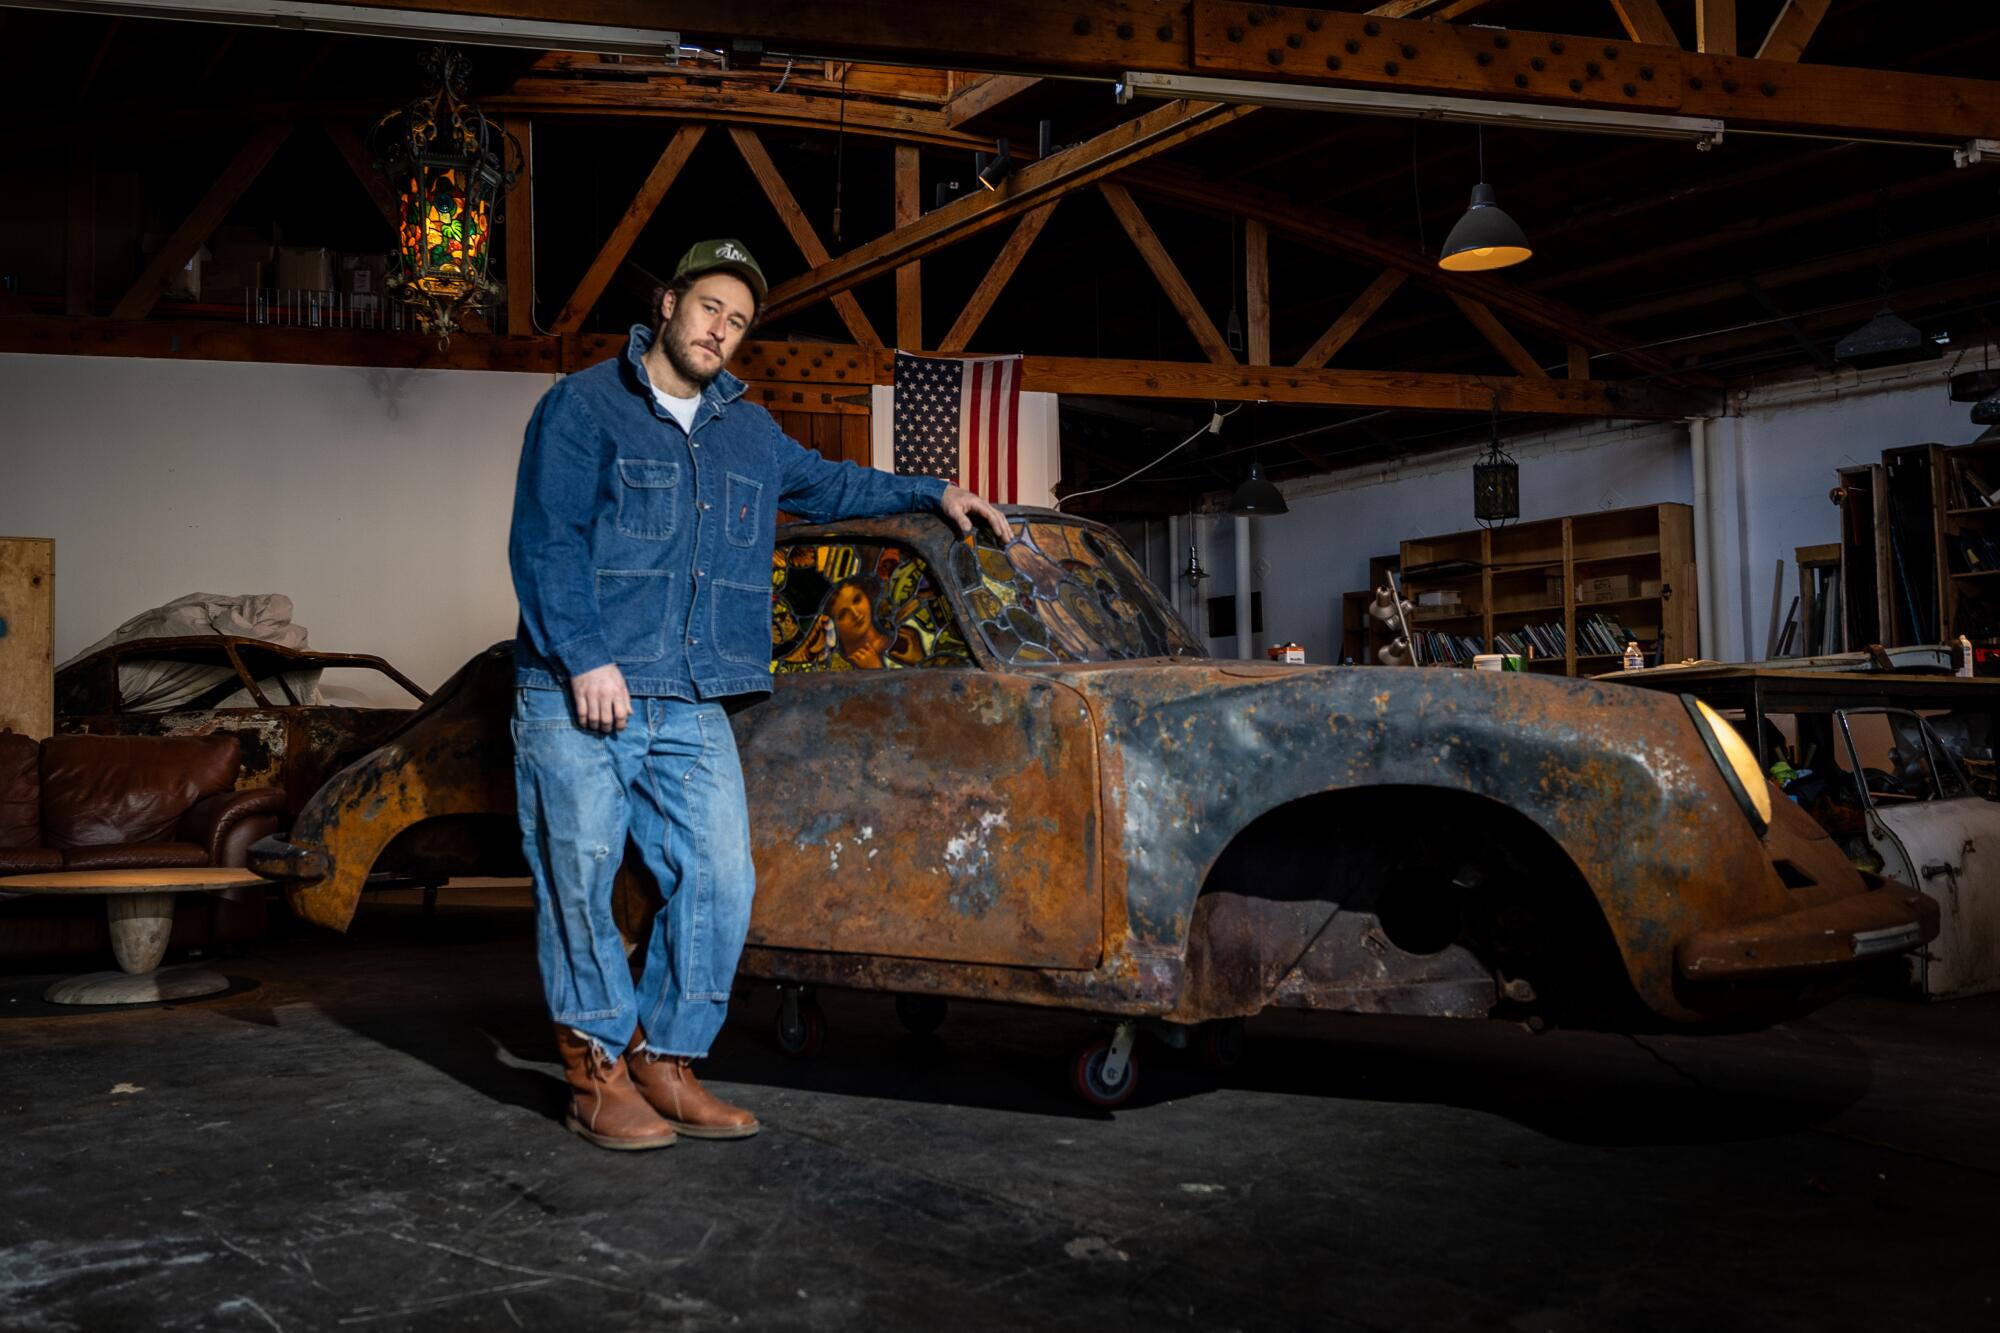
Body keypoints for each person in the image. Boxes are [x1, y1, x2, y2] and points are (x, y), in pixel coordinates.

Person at [508, 239, 1012, 1150]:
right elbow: (546, 541)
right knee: (578, 878)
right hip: (581, 689)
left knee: (721, 881)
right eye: (709, 308)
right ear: (667, 303)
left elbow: (837, 484)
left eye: (738, 322)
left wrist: (935, 490)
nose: (721, 332)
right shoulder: (581, 407)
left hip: (694, 694)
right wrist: (584, 657)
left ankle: (666, 1056)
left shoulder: (751, 433)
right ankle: (593, 1071)